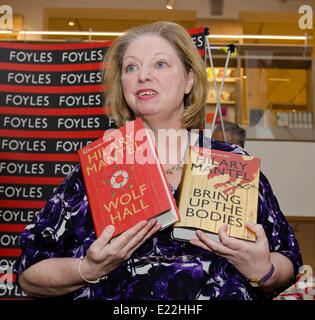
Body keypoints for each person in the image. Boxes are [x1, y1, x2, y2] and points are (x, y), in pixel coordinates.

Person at [13, 21, 302, 300]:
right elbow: (28, 274)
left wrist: (263, 269)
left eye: (160, 64)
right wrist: (88, 269)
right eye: (131, 67)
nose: (143, 76)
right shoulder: (99, 169)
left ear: (190, 79)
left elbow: (287, 261)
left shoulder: (231, 163)